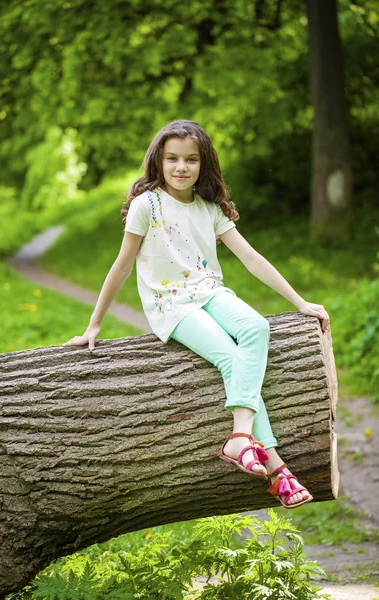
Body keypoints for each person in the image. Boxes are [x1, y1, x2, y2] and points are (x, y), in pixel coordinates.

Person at [62, 120, 330, 509]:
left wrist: (300, 302)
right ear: (158, 161)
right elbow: (121, 265)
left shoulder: (209, 209)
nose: (181, 167)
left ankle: (241, 439)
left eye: (191, 160)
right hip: (170, 304)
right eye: (172, 159)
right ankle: (274, 465)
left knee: (255, 326)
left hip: (210, 292)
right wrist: (94, 324)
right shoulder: (147, 205)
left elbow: (251, 258)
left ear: (203, 164)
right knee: (231, 357)